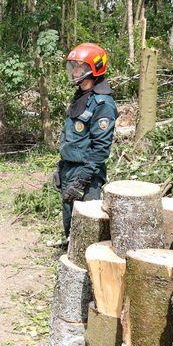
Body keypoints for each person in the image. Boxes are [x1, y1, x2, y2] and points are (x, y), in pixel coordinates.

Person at [56, 43, 118, 240]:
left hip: (87, 174)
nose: (75, 71)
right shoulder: (80, 96)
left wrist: (82, 180)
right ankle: (69, 251)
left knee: (87, 228)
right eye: (73, 66)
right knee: (70, 222)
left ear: (94, 69)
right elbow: (72, 135)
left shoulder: (102, 103)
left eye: (80, 67)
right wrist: (62, 167)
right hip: (70, 168)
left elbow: (101, 148)